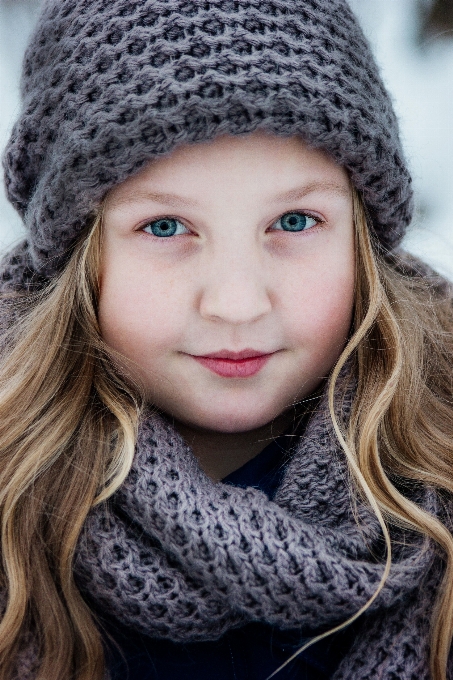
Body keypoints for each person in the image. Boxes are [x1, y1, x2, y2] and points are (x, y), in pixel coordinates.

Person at [0, 1, 452, 679]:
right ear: (78, 255)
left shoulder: (436, 472)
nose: (237, 304)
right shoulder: (17, 503)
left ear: (362, 238)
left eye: (294, 220)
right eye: (164, 226)